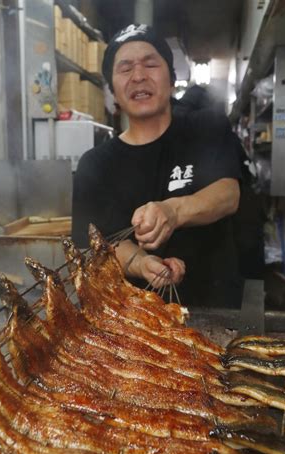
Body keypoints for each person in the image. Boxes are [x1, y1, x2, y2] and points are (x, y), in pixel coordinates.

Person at [72, 24, 243, 307]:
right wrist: (141, 264)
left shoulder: (206, 127)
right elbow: (99, 243)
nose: (138, 76)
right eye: (125, 69)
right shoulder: (96, 165)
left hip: (216, 305)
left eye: (150, 64)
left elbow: (228, 194)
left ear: (172, 79)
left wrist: (173, 211)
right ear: (113, 91)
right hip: (135, 320)